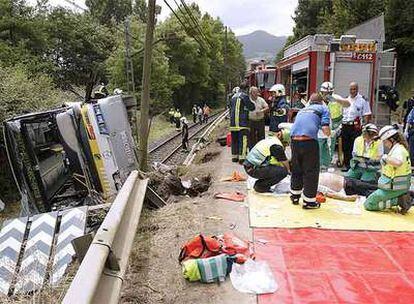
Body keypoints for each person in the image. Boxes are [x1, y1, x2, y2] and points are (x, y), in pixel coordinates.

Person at [290, 93, 331, 209]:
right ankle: (309, 201)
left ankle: (295, 195)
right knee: (311, 171)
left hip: (294, 140)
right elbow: (325, 128)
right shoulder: (323, 108)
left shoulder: (302, 110)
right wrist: (330, 135)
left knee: (297, 168)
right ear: (321, 101)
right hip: (308, 141)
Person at [364, 125, 412, 214]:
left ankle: (398, 200)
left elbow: (398, 162)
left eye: (385, 142)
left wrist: (385, 158)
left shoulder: (399, 150)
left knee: (369, 204)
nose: (385, 144)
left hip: (394, 188)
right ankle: (399, 199)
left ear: (392, 139)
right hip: (391, 186)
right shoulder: (398, 148)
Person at [317, 82, 350, 169]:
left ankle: (327, 164)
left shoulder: (336, 98)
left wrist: (338, 100)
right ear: (321, 92)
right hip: (320, 128)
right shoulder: (316, 99)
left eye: (330, 93)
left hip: (333, 128)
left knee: (330, 147)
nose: (327, 95)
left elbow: (347, 104)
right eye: (326, 93)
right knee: (319, 147)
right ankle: (318, 165)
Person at [341, 82, 372, 171]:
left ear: (357, 89)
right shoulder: (346, 99)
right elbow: (342, 113)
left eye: (354, 89)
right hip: (345, 125)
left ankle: (354, 166)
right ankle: (347, 165)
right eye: (351, 89)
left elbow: (366, 114)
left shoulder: (363, 100)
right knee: (345, 147)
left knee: (354, 146)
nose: (352, 91)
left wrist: (365, 127)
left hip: (356, 127)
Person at [229, 84, 255, 164]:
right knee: (243, 140)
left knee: (234, 140)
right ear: (246, 89)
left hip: (233, 123)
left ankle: (234, 157)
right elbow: (251, 107)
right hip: (242, 123)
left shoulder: (233, 97)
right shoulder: (244, 96)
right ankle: (242, 158)